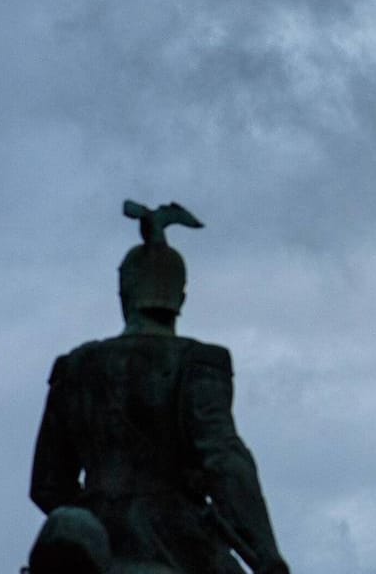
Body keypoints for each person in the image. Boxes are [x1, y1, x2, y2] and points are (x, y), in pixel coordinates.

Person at [29, 202, 290, 574]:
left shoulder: (74, 368)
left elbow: (47, 485)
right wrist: (266, 552)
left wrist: (99, 525)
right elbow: (225, 460)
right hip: (180, 544)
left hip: (93, 549)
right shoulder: (200, 362)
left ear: (124, 294)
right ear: (180, 299)